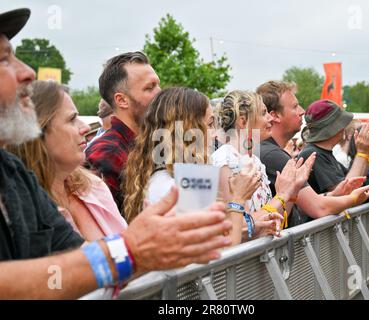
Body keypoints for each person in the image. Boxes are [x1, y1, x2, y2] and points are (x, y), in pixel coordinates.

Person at [0, 7, 232, 299]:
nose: (27, 72)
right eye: (4, 58)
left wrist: (149, 250)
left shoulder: (12, 171)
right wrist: (131, 251)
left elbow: (74, 257)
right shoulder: (108, 153)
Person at [123, 87, 260, 246]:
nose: (215, 134)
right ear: (190, 130)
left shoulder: (167, 177)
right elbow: (222, 251)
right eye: (209, 124)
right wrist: (238, 198)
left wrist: (253, 230)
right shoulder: (175, 185)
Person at [6, 81, 127, 241]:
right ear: (37, 134)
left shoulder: (93, 186)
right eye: (72, 119)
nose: (85, 127)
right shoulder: (19, 210)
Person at [256, 81, 369, 226]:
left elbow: (302, 205)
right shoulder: (273, 155)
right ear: (274, 115)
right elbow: (319, 208)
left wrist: (332, 195)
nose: (302, 111)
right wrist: (353, 198)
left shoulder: (269, 151)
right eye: (294, 106)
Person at [212, 90, 316, 237]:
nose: (270, 118)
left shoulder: (255, 160)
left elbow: (271, 221)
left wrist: (292, 191)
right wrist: (281, 195)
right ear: (242, 121)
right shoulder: (225, 161)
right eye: (263, 113)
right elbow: (241, 226)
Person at [85, 51, 161, 211]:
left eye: (158, 85)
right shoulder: (106, 153)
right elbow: (108, 227)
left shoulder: (150, 142)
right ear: (122, 100)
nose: (159, 93)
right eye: (149, 88)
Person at [298, 99, 369, 195]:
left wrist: (368, 153)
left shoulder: (322, 152)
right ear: (333, 128)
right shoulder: (313, 154)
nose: (344, 127)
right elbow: (345, 191)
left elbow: (356, 182)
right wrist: (362, 152)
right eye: (341, 123)